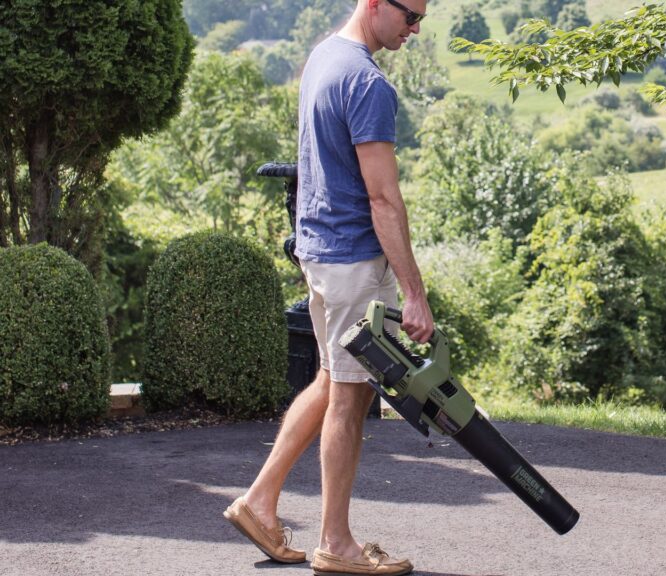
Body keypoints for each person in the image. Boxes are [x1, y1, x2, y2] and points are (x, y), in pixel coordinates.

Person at [223, 1, 433, 575]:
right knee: (350, 398)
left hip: (318, 255)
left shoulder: (323, 57)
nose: (415, 29)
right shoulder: (367, 82)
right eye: (411, 16)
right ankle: (335, 544)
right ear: (374, 2)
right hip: (353, 266)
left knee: (327, 379)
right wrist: (414, 294)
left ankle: (259, 503)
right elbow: (383, 198)